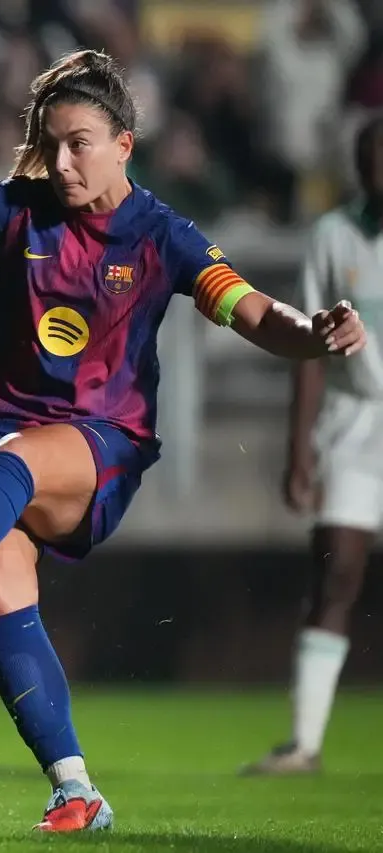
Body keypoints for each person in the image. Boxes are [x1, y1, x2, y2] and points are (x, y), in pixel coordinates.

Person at [0, 49, 366, 833]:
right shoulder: (17, 205)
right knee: (2, 594)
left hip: (98, 442)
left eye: (78, 142)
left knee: (11, 469)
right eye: (49, 144)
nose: (60, 161)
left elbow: (254, 312)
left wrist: (312, 335)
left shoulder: (162, 234)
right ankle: (74, 787)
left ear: (124, 143)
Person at [243, 115, 383, 776]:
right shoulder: (334, 235)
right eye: (369, 158)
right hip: (353, 424)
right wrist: (297, 449)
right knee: (337, 571)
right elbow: (307, 349)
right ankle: (302, 742)